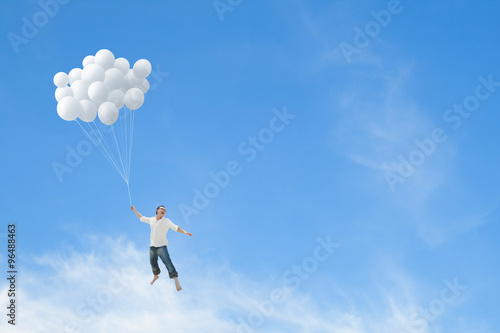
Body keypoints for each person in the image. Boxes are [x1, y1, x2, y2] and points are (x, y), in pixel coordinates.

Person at [131, 205, 193, 290]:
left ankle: (176, 280)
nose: (163, 211)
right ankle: (156, 276)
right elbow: (141, 218)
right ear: (157, 210)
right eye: (162, 209)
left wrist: (184, 231)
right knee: (153, 263)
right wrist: (134, 210)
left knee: (168, 262)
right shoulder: (152, 219)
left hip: (161, 247)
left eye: (165, 210)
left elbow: (175, 227)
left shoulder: (166, 221)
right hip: (152, 247)